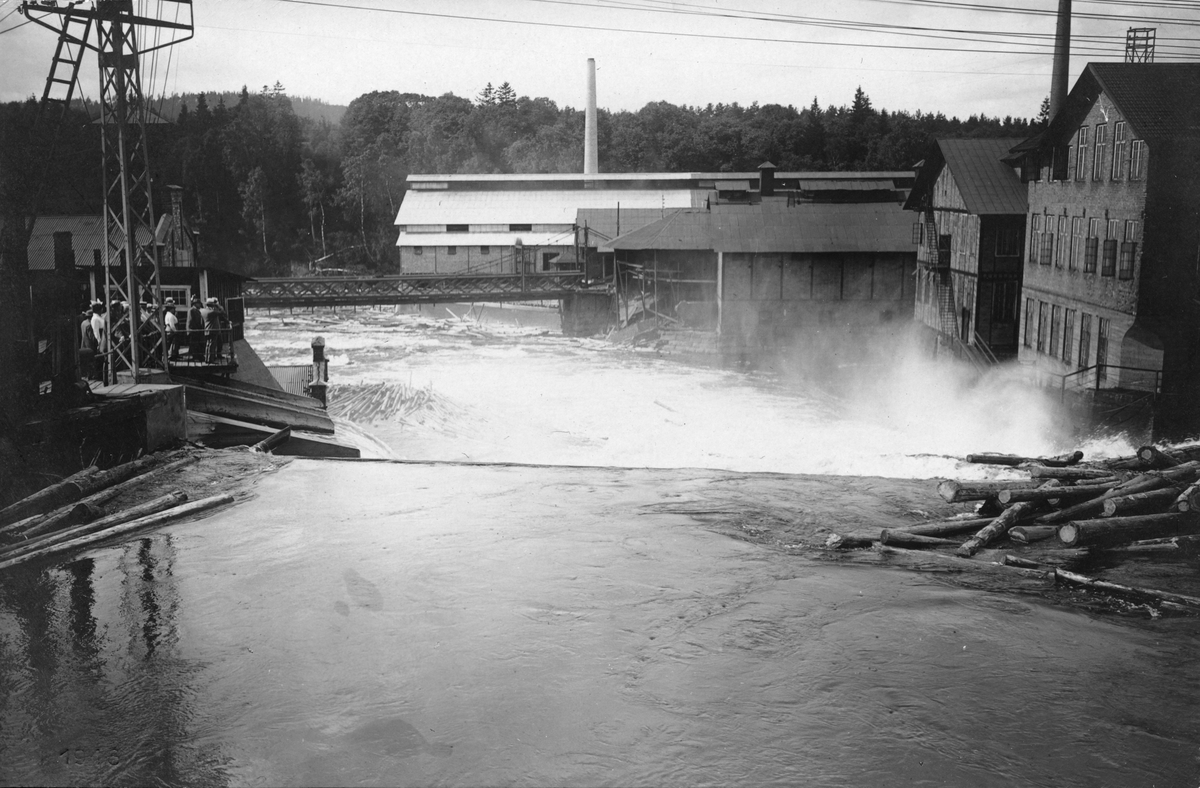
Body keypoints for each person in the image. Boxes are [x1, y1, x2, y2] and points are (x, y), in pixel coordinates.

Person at [204, 297, 228, 363]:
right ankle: (210, 359)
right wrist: (218, 305)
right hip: (213, 330)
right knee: (212, 345)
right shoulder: (212, 312)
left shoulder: (205, 311)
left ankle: (208, 358)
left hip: (208, 330)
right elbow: (222, 312)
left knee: (208, 345)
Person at [187, 295, 205, 361]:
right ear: (195, 304)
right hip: (193, 330)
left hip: (197, 330)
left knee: (198, 344)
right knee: (194, 344)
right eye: (199, 304)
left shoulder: (197, 310)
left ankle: (199, 356)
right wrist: (193, 329)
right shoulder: (191, 310)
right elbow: (191, 321)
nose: (200, 305)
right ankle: (194, 357)